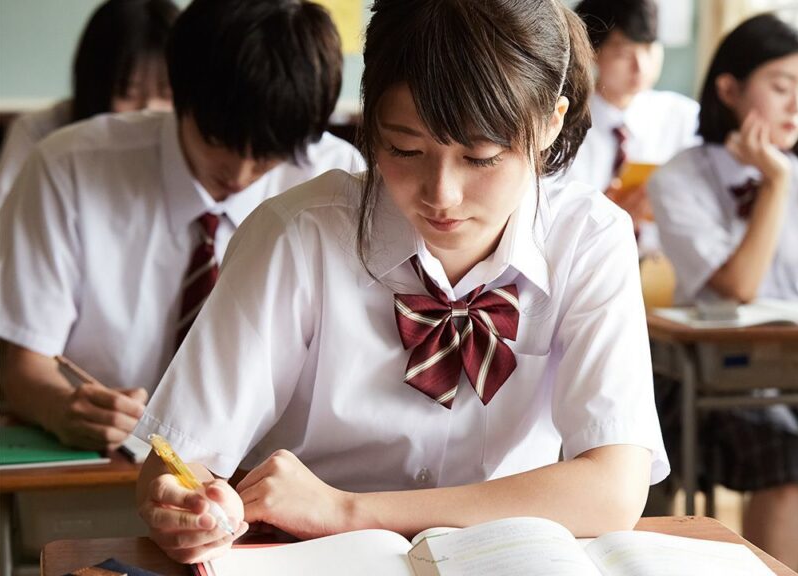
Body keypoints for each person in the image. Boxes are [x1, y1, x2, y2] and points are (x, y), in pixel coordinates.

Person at [132, 0, 668, 564]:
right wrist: (182, 506)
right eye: (405, 149)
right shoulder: (298, 235)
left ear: (550, 122)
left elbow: (613, 489)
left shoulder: (588, 237)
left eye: (481, 157)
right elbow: (178, 462)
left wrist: (347, 510)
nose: (442, 195)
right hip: (310, 560)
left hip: (502, 558)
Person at [0, 0, 364, 453]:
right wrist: (61, 407)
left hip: (261, 474)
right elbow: (23, 364)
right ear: (179, 97)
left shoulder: (336, 177)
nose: (241, 172)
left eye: (267, 155)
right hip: (99, 462)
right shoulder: (68, 167)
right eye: (218, 143)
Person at [647, 14, 798, 574]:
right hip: (713, 377)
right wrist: (776, 182)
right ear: (729, 89)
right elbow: (737, 287)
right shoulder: (678, 178)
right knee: (788, 469)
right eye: (780, 88)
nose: (797, 106)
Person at [0, 0, 180, 204]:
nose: (149, 109)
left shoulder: (193, 154)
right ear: (95, 87)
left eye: (167, 94)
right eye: (129, 94)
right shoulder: (39, 134)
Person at [561, 0, 699, 252]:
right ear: (592, 53)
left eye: (648, 48)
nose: (641, 67)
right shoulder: (563, 126)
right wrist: (603, 219)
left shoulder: (685, 118)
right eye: (624, 53)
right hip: (588, 261)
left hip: (666, 271)